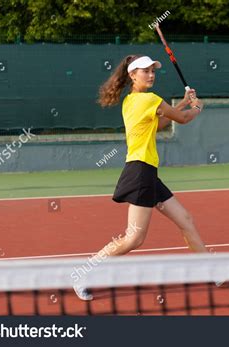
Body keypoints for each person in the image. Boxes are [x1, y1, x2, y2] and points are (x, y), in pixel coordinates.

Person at [74, 55, 207, 300]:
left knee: (185, 219)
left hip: (147, 172)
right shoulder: (149, 99)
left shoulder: (131, 101)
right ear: (133, 75)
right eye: (145, 71)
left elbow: (157, 124)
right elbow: (184, 120)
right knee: (134, 237)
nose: (151, 74)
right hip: (140, 173)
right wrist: (196, 107)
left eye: (153, 71)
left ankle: (210, 269)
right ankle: (84, 272)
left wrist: (182, 104)